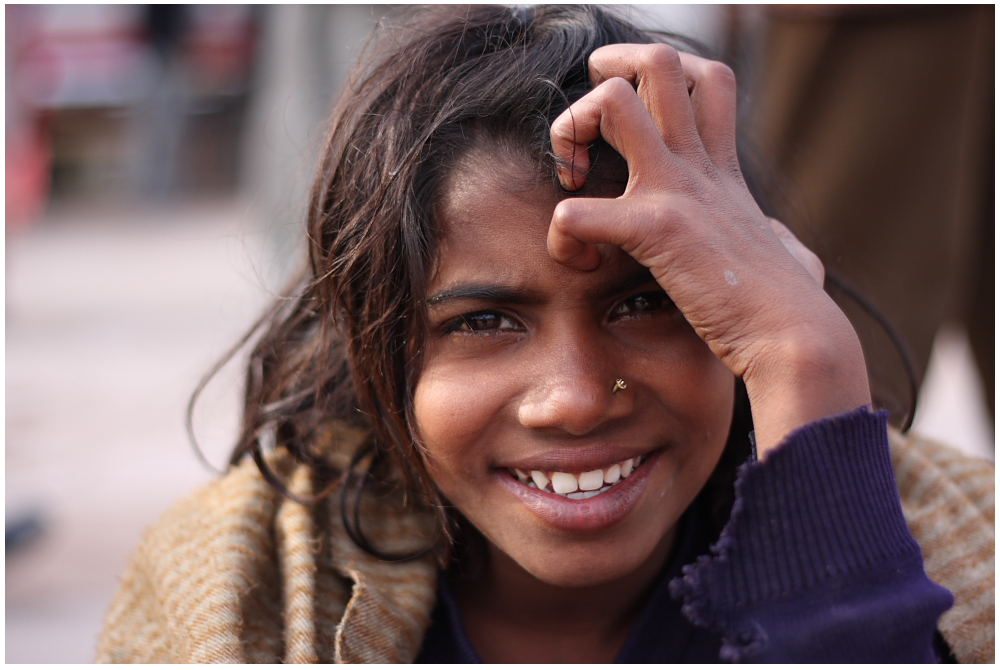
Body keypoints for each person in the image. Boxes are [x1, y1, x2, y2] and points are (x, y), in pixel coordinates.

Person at [95, 6, 992, 663]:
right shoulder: (233, 591)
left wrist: (807, 363)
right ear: (375, 357)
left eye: (646, 305)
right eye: (484, 321)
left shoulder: (959, 549)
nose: (571, 398)